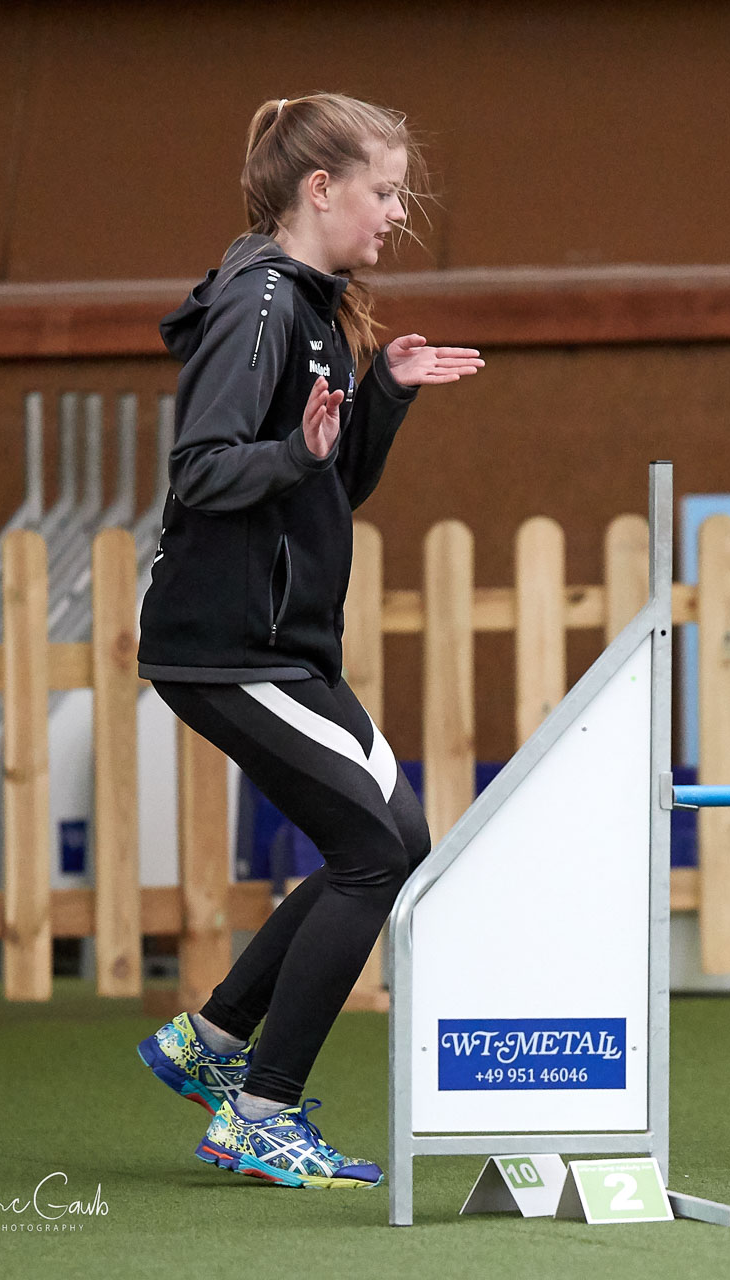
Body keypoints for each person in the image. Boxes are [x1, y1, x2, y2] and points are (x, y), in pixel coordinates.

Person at [134, 93, 483, 1189]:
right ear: (319, 188)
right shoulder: (262, 303)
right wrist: (295, 451)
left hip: (284, 645)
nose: (398, 213)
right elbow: (203, 469)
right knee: (374, 853)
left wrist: (381, 395)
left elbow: (334, 481)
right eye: (385, 191)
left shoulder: (320, 309)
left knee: (396, 841)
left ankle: (213, 1039)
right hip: (229, 643)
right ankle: (261, 1111)